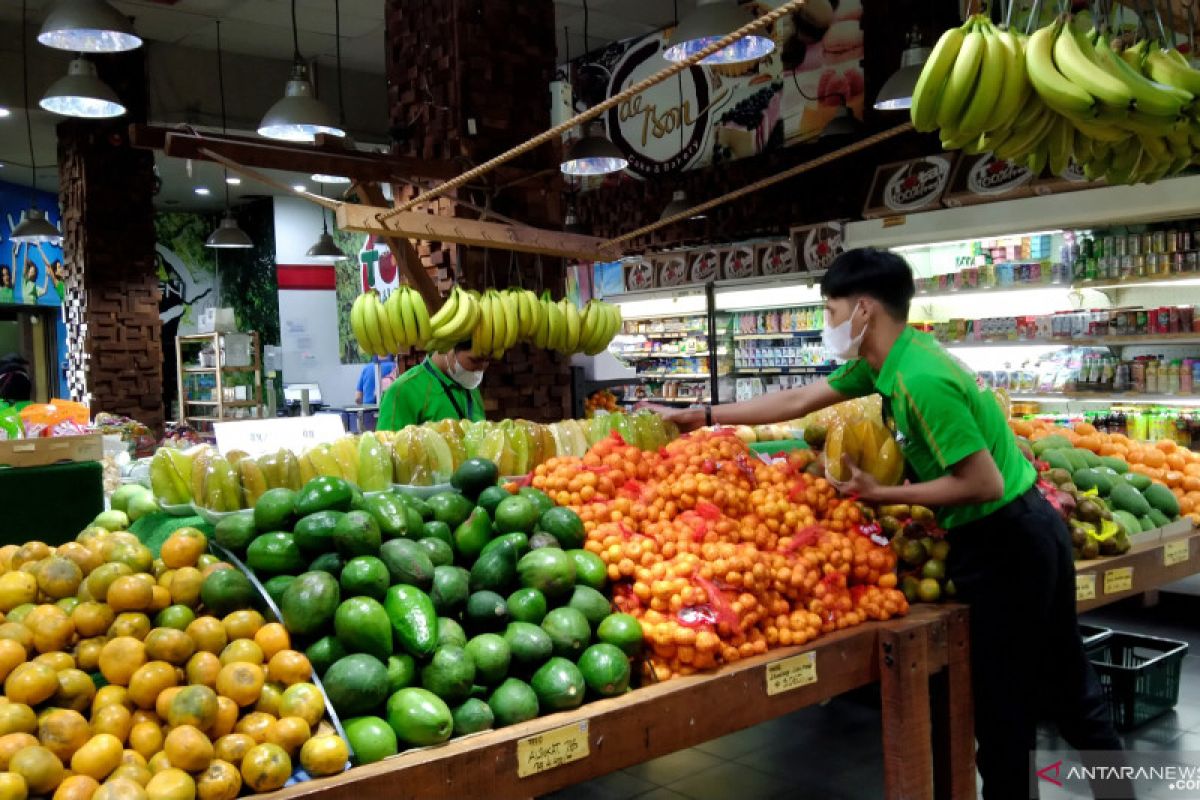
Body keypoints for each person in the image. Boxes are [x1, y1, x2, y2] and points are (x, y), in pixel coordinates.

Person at [647, 248, 1130, 800]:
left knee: (1007, 712)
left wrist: (886, 493)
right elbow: (803, 397)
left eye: (830, 312)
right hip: (1019, 534)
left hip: (1006, 540)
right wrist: (703, 417)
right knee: (1067, 688)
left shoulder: (919, 379)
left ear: (864, 310)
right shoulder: (895, 359)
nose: (827, 325)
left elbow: (983, 483)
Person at [376, 341, 488, 430]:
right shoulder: (402, 391)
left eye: (487, 361)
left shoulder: (470, 387)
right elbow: (387, 451)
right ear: (448, 347)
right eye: (475, 360)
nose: (481, 368)